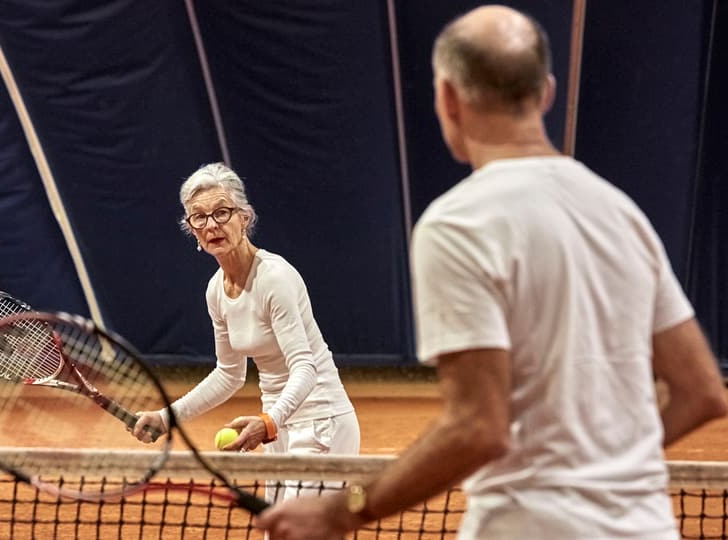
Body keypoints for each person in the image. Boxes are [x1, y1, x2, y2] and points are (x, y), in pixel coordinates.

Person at [255, 5, 728, 539]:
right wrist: (612, 465)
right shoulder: (621, 213)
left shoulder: (457, 224)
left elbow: (477, 428)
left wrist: (344, 510)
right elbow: (701, 391)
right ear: (546, 92)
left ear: (448, 98)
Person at [131, 162, 361, 502]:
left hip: (320, 421)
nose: (212, 225)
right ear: (191, 229)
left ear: (244, 217)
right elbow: (229, 374)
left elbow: (305, 367)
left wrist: (268, 421)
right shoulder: (215, 291)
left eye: (222, 212)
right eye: (199, 217)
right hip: (278, 426)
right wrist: (166, 418)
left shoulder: (274, 278)